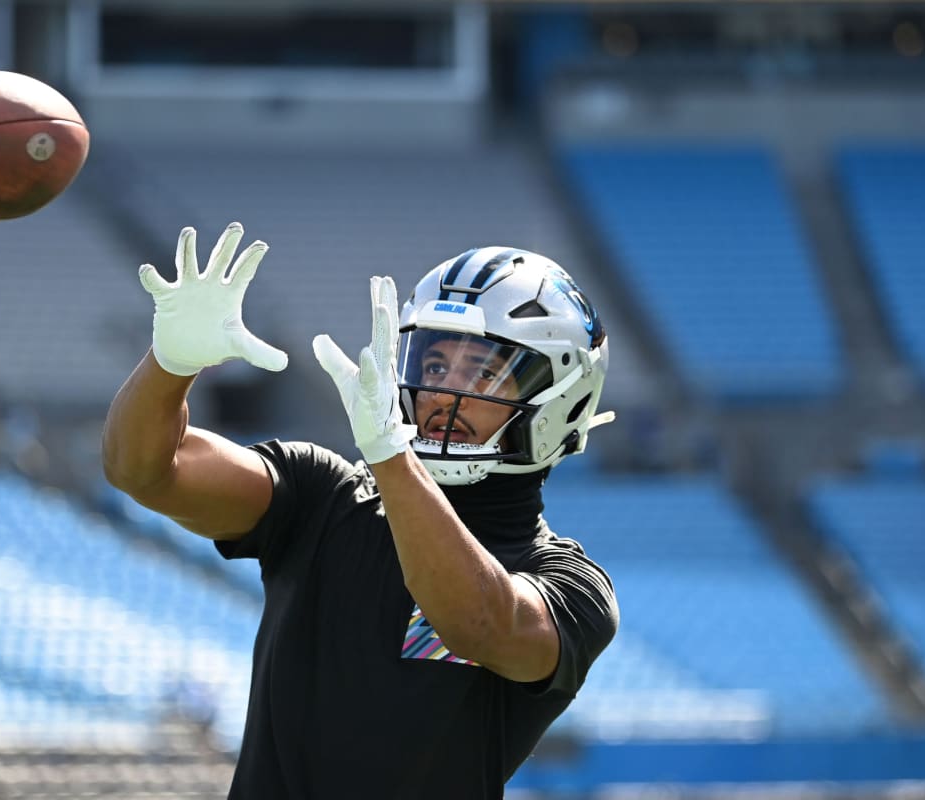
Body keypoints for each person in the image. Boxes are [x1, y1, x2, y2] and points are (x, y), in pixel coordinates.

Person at [103, 222, 619, 799]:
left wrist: (393, 460)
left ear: (563, 395)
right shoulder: (321, 495)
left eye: (484, 371)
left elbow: (478, 622)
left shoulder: (574, 587)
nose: (445, 392)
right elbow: (144, 470)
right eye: (434, 365)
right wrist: (170, 362)